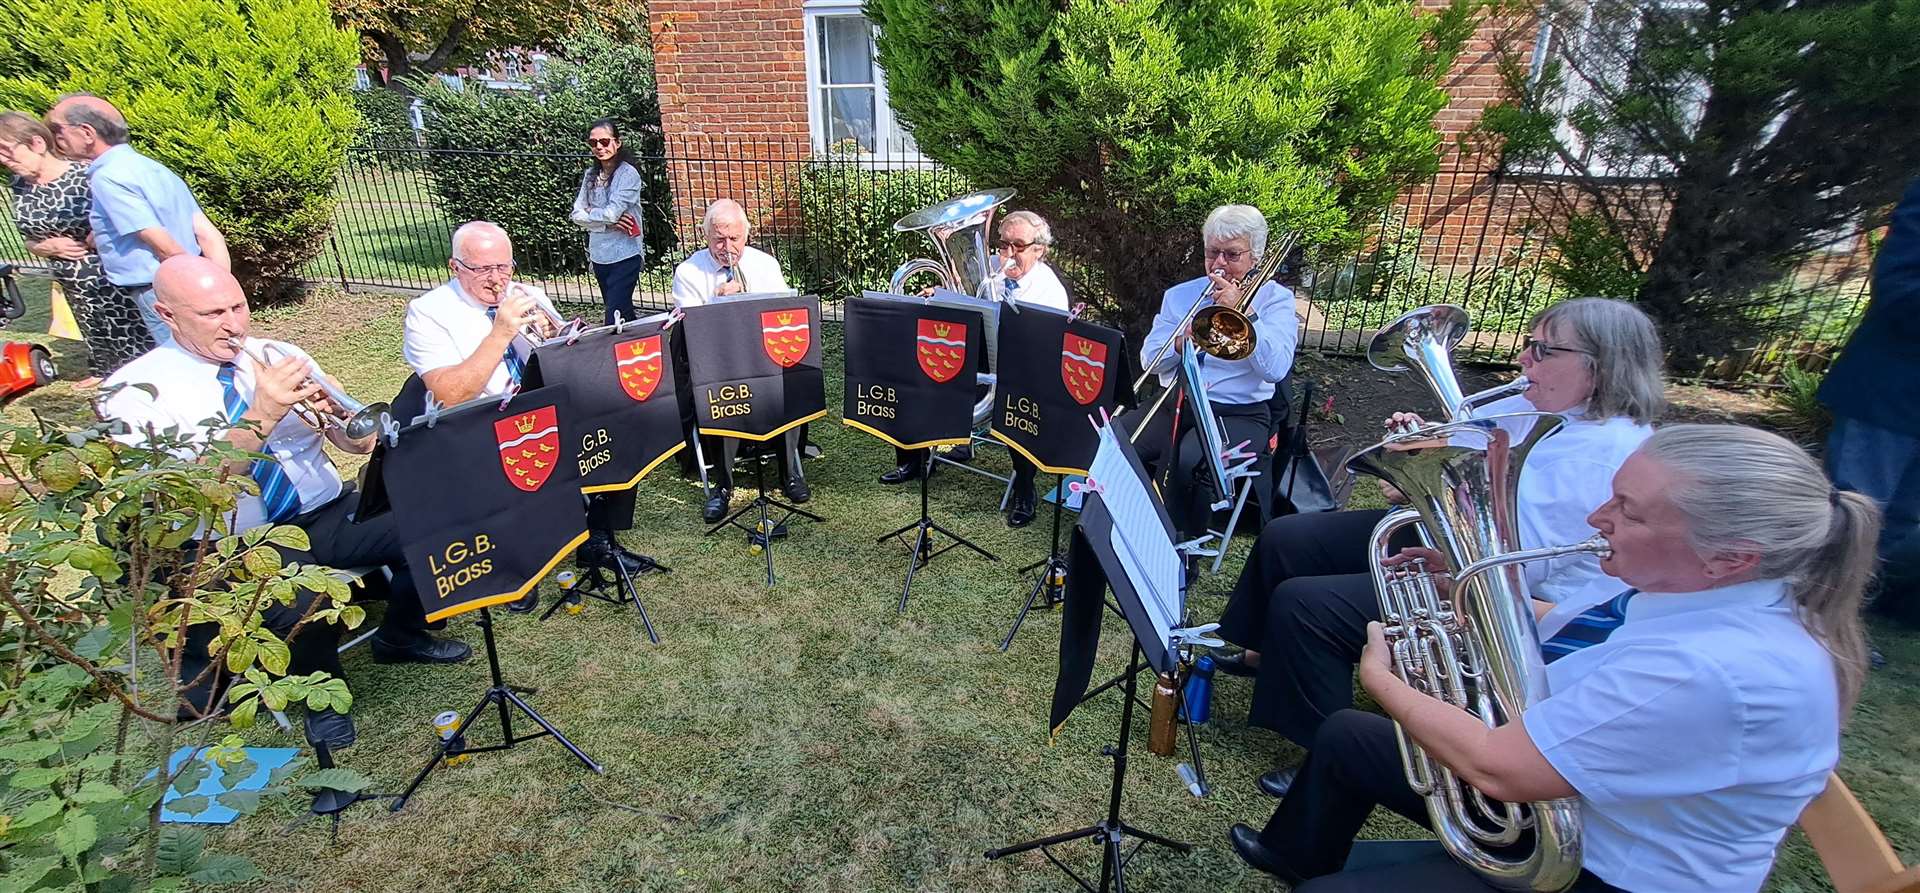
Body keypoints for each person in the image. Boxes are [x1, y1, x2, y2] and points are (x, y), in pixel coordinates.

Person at [1230, 424, 1877, 892]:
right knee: (1347, 736)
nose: (1599, 516)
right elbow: (1572, 628)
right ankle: (1295, 853)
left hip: (1604, 868)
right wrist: (1465, 585)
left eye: (1629, 510)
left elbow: (1499, 768)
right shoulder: (1695, 587)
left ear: (1730, 555)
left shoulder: (1717, 669)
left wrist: (1383, 679)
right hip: (1582, 810)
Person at [1216, 297, 1664, 797]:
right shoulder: (1536, 406)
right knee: (1290, 536)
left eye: (1542, 351)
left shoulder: (1605, 457)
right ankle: (1263, 655)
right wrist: (1417, 452)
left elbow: (1514, 569)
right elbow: (1464, 454)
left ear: (1599, 367)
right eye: (1527, 346)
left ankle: (1324, 747)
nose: (1523, 361)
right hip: (1458, 541)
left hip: (1505, 594)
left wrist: (1420, 488)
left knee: (1307, 603)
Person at [99, 257, 471, 749]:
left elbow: (356, 439)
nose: (233, 323)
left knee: (438, 524)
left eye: (238, 306)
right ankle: (322, 697)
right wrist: (263, 413)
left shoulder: (276, 353)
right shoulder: (134, 392)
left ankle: (401, 635)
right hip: (235, 536)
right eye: (213, 314)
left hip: (323, 508)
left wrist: (343, 425)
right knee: (302, 601)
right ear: (169, 316)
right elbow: (192, 491)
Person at [402, 221, 653, 594]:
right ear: (455, 267)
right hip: (480, 422)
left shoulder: (526, 293)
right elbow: (449, 395)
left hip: (540, 407)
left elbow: (562, 357)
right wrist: (500, 332)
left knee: (619, 424)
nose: (496, 279)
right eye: (483, 269)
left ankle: (597, 539)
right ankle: (515, 562)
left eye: (504, 267)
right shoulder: (429, 313)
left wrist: (562, 338)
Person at [880, 209, 1070, 528]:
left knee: (1019, 403)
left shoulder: (1050, 291)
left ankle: (1025, 488)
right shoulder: (991, 269)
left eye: (1018, 246)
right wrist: (940, 297)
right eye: (1003, 244)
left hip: (1019, 371)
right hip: (974, 356)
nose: (1007, 254)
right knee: (915, 366)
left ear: (1039, 250)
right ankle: (914, 458)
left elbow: (1046, 350)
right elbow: (965, 308)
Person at [1125, 204, 1297, 542]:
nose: (1219, 264)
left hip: (1241, 412)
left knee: (1193, 459)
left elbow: (1275, 369)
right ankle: (1128, 528)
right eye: (1212, 253)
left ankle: (1183, 550)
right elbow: (1149, 360)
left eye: (1231, 254)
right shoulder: (1181, 296)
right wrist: (1180, 341)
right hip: (1180, 402)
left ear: (1256, 257)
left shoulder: (1276, 300)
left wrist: (1243, 313)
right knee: (1117, 441)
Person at [45, 94, 228, 348]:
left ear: (87, 132)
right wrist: (221, 287)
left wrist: (186, 285)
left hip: (160, 286)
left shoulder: (108, 177)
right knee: (212, 348)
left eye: (56, 129)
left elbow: (159, 241)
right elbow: (207, 233)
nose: (55, 139)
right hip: (184, 279)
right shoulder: (153, 168)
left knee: (182, 355)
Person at [1819, 176, 1920, 624]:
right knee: (1852, 513)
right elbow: (1900, 292)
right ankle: (1805, 613)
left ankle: (1841, 618)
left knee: (1899, 521)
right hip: (1892, 390)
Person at [670, 199, 809, 523]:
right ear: (706, 237)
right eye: (719, 239)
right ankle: (723, 484)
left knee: (792, 381)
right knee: (721, 392)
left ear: (746, 234)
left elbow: (782, 314)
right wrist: (717, 304)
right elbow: (689, 329)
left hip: (764, 357)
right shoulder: (690, 271)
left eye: (734, 238)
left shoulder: (765, 265)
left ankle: (790, 472)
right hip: (715, 362)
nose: (727, 247)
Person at [0, 111, 152, 383]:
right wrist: (46, 247)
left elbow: (129, 216)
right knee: (91, 325)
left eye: (8, 152)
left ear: (37, 143)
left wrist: (103, 231)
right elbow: (28, 239)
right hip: (70, 277)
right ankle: (105, 371)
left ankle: (141, 377)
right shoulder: (20, 186)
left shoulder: (85, 175)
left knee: (129, 327)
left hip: (111, 272)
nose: (4, 161)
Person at [570, 118, 647, 326]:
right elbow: (576, 215)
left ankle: (614, 353)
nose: (599, 147)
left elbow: (613, 213)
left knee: (614, 314)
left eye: (604, 141)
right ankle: (637, 348)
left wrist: (592, 214)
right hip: (599, 256)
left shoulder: (628, 174)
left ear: (617, 142)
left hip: (625, 254)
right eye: (593, 143)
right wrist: (604, 223)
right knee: (623, 314)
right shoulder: (590, 175)